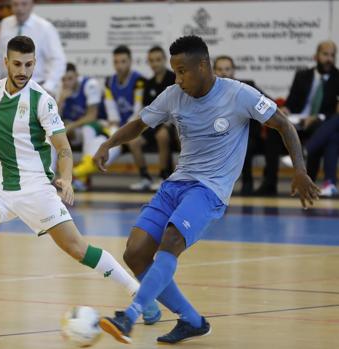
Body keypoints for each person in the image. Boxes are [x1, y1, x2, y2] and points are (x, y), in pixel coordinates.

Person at [0, 36, 161, 327]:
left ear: (35, 63)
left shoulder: (41, 100)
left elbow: (63, 147)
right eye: (18, 64)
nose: (23, 70)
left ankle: (140, 295)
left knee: (78, 249)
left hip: (35, 190)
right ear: (6, 62)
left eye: (29, 64)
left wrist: (66, 179)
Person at [94, 35, 319, 345]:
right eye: (175, 71)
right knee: (135, 253)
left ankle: (130, 315)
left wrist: (300, 170)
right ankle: (192, 321)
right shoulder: (173, 95)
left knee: (170, 241)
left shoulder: (239, 94)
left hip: (209, 189)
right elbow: (140, 124)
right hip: (176, 183)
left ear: (203, 65)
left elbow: (284, 125)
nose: (178, 78)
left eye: (183, 70)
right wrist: (108, 143)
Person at [73, 45, 146, 188]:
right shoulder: (109, 82)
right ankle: (81, 177)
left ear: (130, 62)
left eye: (123, 61)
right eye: (116, 62)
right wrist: (114, 125)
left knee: (110, 144)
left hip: (135, 127)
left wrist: (122, 129)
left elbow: (138, 110)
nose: (119, 66)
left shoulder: (139, 81)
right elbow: (111, 110)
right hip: (116, 127)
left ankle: (75, 174)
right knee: (96, 139)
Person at [214, 55, 283, 196]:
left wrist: (281, 109)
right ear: (214, 71)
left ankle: (265, 184)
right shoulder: (209, 93)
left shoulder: (247, 86)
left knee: (268, 137)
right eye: (220, 69)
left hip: (250, 136)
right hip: (220, 136)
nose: (224, 72)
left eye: (227, 69)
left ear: (233, 71)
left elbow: (267, 101)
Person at [283, 40, 339, 197]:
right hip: (299, 119)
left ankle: (306, 151)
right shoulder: (302, 76)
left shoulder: (337, 78)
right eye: (325, 54)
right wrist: (286, 109)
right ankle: (330, 183)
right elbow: (291, 101)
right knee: (332, 136)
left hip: (323, 123)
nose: (329, 59)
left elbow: (334, 113)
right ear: (316, 56)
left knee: (331, 132)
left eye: (332, 55)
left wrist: (317, 117)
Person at [0, 0, 66, 96]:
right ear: (11, 6)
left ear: (32, 5)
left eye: (24, 4)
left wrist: (49, 86)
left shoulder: (45, 28)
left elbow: (58, 59)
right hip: (8, 88)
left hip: (36, 87)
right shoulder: (5, 24)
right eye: (15, 4)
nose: (19, 8)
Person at [128, 46, 176, 191]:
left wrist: (168, 124)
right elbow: (146, 109)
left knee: (162, 136)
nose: (155, 63)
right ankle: (145, 178)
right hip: (154, 124)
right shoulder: (148, 84)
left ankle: (163, 176)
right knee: (133, 141)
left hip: (172, 123)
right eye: (151, 61)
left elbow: (178, 105)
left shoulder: (173, 79)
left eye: (158, 60)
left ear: (165, 60)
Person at [57, 63, 104, 190]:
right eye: (64, 79)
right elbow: (53, 118)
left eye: (70, 78)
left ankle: (82, 178)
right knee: (54, 134)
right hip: (75, 131)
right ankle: (47, 178)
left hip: (96, 129)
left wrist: (71, 126)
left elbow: (92, 116)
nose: (67, 82)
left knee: (86, 130)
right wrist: (61, 100)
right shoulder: (60, 89)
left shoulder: (90, 85)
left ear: (77, 76)